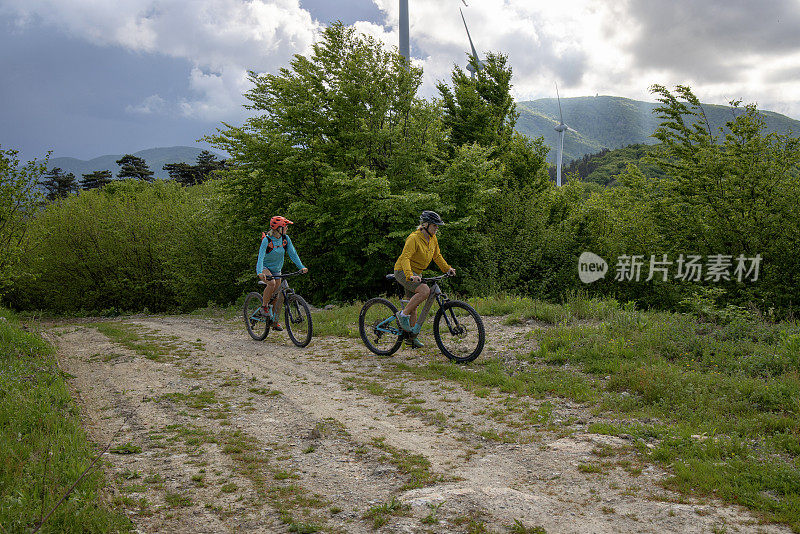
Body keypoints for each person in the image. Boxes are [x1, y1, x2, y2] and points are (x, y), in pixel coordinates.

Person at [393, 210, 456, 348]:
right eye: (435, 225)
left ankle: (411, 337)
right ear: (426, 225)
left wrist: (447, 269)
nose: (437, 228)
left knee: (413, 306)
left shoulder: (432, 238)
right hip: (403, 271)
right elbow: (405, 258)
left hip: (417, 273)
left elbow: (437, 256)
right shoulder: (413, 238)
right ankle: (402, 315)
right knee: (424, 291)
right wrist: (409, 275)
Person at [256, 216, 308, 331]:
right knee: (272, 283)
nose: (287, 228)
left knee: (277, 296)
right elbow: (260, 257)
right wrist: (260, 272)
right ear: (278, 228)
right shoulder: (267, 240)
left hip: (277, 269)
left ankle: (274, 322)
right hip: (265, 267)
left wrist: (302, 267)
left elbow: (293, 254)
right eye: (285, 226)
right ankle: (264, 307)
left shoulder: (285, 239)